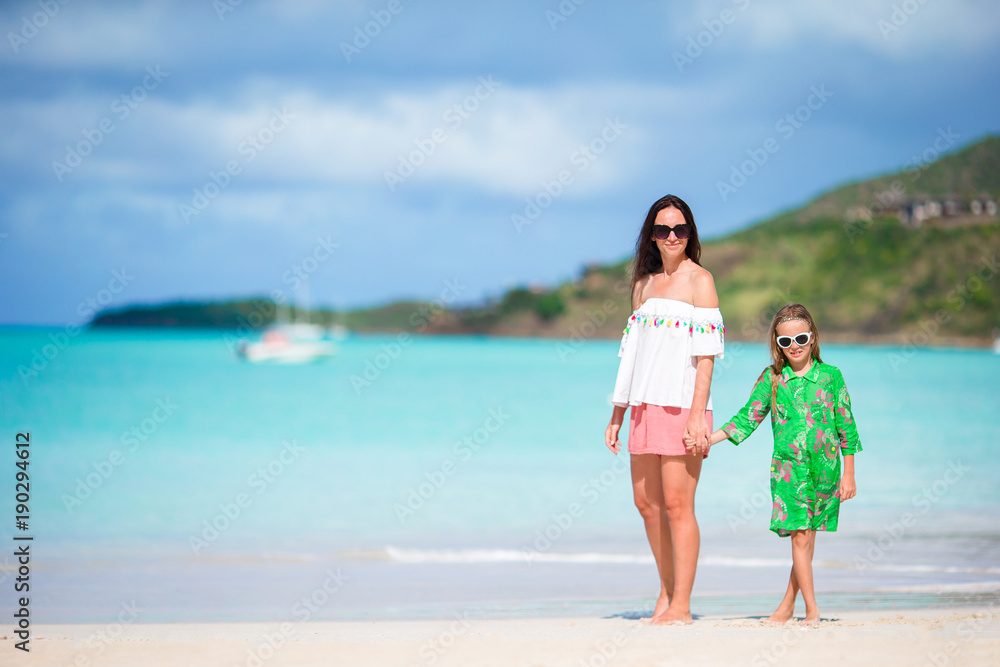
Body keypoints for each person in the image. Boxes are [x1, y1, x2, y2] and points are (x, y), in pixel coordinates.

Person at [687, 303, 862, 625]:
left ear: (813, 338)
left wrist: (849, 474)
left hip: (826, 471)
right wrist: (708, 440)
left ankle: (785, 607)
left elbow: (846, 428)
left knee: (808, 540)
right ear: (777, 344)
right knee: (800, 537)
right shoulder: (773, 379)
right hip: (787, 471)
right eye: (785, 341)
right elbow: (747, 417)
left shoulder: (832, 377)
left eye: (801, 338)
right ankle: (812, 611)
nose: (794, 346)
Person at [605, 194, 725, 624]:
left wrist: (697, 414)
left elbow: (707, 354)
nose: (671, 236)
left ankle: (682, 605)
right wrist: (617, 413)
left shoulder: (700, 280)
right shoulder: (642, 285)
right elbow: (630, 356)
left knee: (678, 505)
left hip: (683, 406)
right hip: (642, 404)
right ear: (651, 236)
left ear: (689, 234)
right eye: (662, 229)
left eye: (679, 229)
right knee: (645, 503)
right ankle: (666, 591)